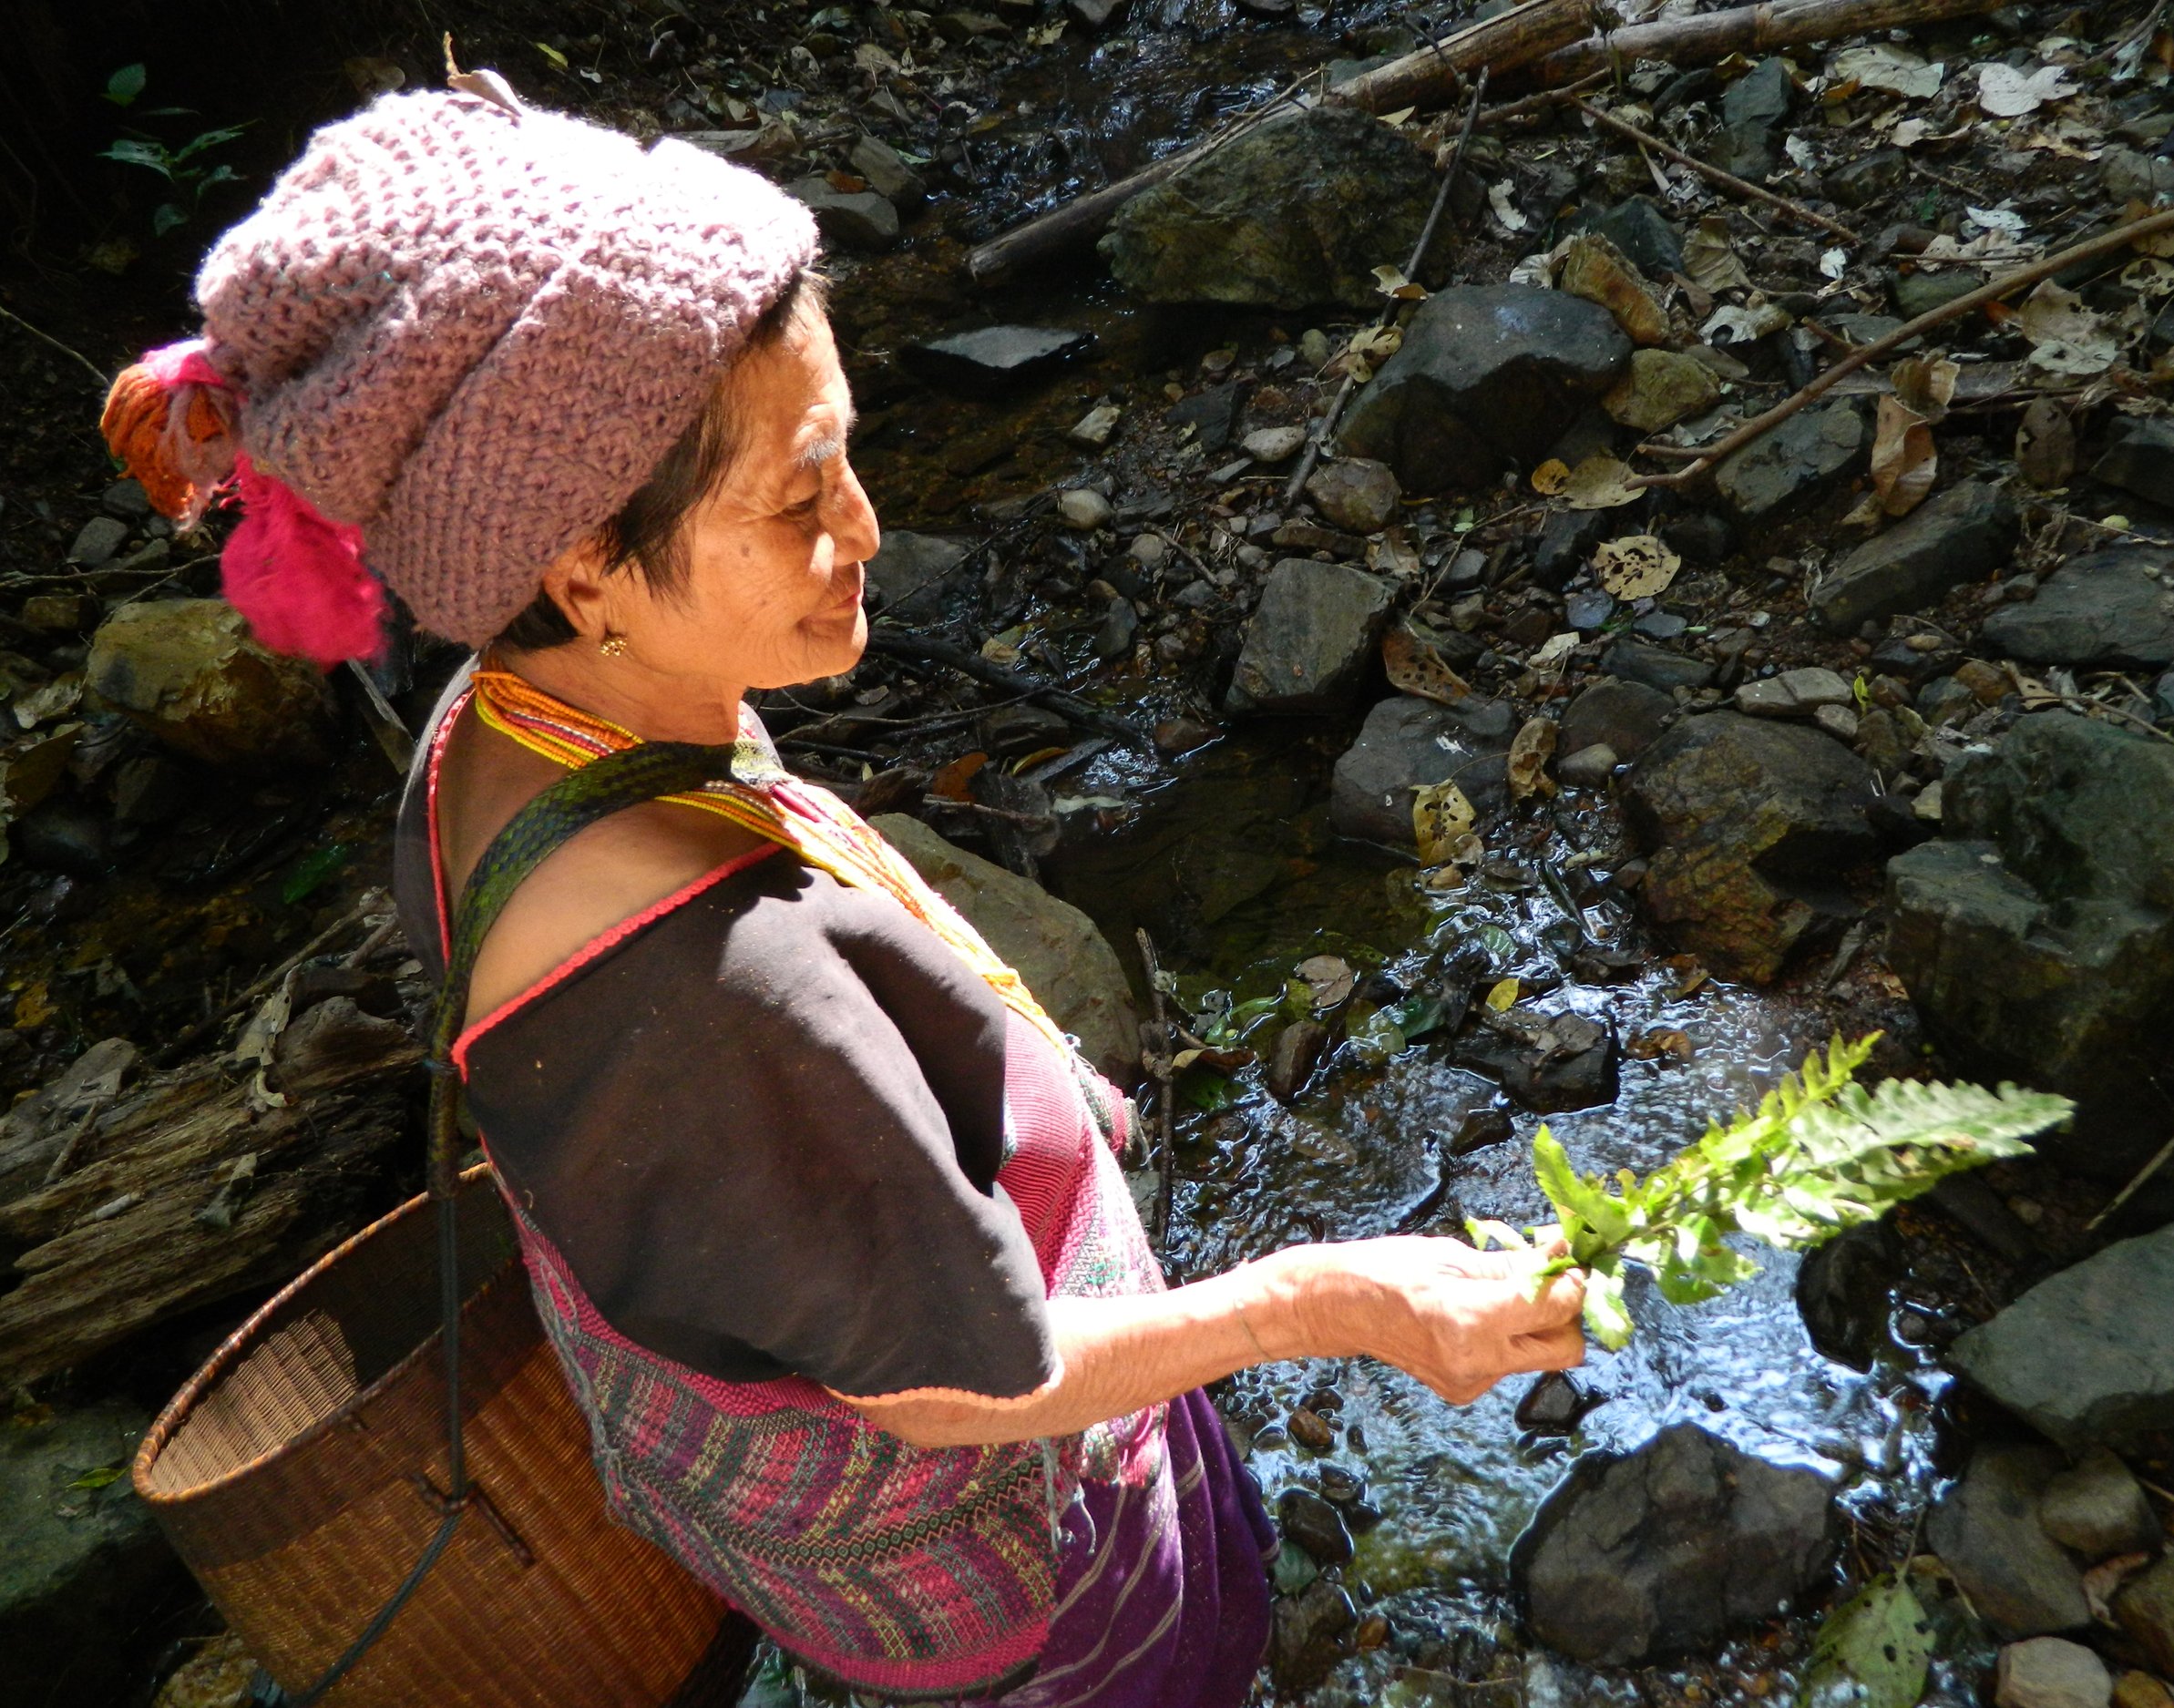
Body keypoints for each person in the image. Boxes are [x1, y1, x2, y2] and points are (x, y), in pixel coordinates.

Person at [103, 82, 1586, 1708]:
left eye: (849, 458)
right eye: (801, 500)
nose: (868, 530)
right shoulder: (703, 995)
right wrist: (1333, 1297)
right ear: (585, 567)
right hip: (1024, 1586)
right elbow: (962, 1388)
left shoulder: (502, 722)